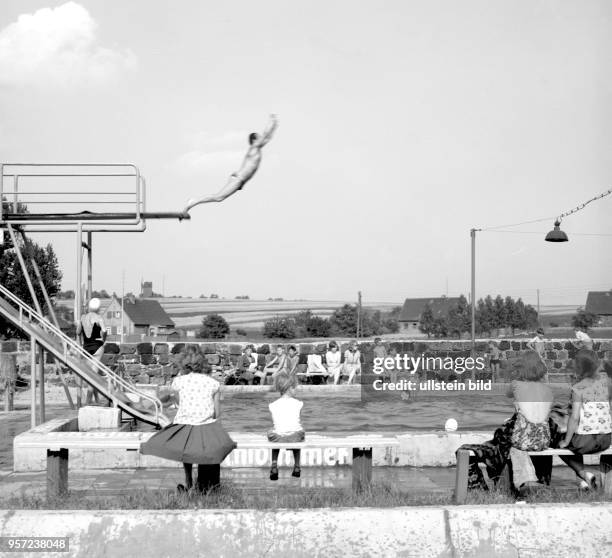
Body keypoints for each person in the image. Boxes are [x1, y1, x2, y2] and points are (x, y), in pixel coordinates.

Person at [140, 351, 236, 493]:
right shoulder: (214, 383)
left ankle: (188, 480)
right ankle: (204, 486)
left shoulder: (179, 381)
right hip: (206, 426)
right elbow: (217, 412)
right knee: (206, 446)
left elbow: (179, 403)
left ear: (185, 365)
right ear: (204, 365)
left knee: (186, 450)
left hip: (183, 426)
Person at [183, 115, 278, 214]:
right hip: (238, 179)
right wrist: (271, 122)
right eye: (259, 138)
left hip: (240, 180)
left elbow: (268, 137)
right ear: (254, 141)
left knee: (219, 198)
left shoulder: (257, 149)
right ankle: (193, 202)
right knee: (218, 197)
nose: (262, 140)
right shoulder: (254, 148)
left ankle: (193, 202)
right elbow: (266, 134)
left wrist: (274, 126)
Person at [558, 349, 612, 489]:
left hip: (585, 442)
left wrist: (566, 441)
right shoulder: (606, 384)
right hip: (605, 440)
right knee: (573, 439)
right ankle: (584, 482)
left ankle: (583, 474)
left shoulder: (577, 388)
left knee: (559, 444)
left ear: (578, 368)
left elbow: (574, 418)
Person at [506, 351, 554, 494]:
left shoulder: (515, 384)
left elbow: (508, 394)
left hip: (524, 440)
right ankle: (543, 480)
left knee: (510, 443)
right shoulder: (547, 389)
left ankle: (526, 481)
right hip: (544, 440)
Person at [267, 372, 304, 481]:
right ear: (289, 388)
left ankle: (274, 465)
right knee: (298, 431)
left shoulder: (272, 405)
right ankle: (297, 466)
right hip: (295, 437)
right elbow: (298, 422)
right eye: (294, 388)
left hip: (278, 437)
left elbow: (276, 423)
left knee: (274, 432)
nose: (296, 390)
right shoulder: (299, 403)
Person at [76, 298, 107, 405]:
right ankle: (88, 401)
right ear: (98, 308)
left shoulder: (82, 318)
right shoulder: (99, 318)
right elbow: (104, 330)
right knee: (93, 376)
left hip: (86, 348)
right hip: (97, 347)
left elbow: (78, 332)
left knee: (91, 375)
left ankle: (97, 400)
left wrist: (80, 342)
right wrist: (104, 340)